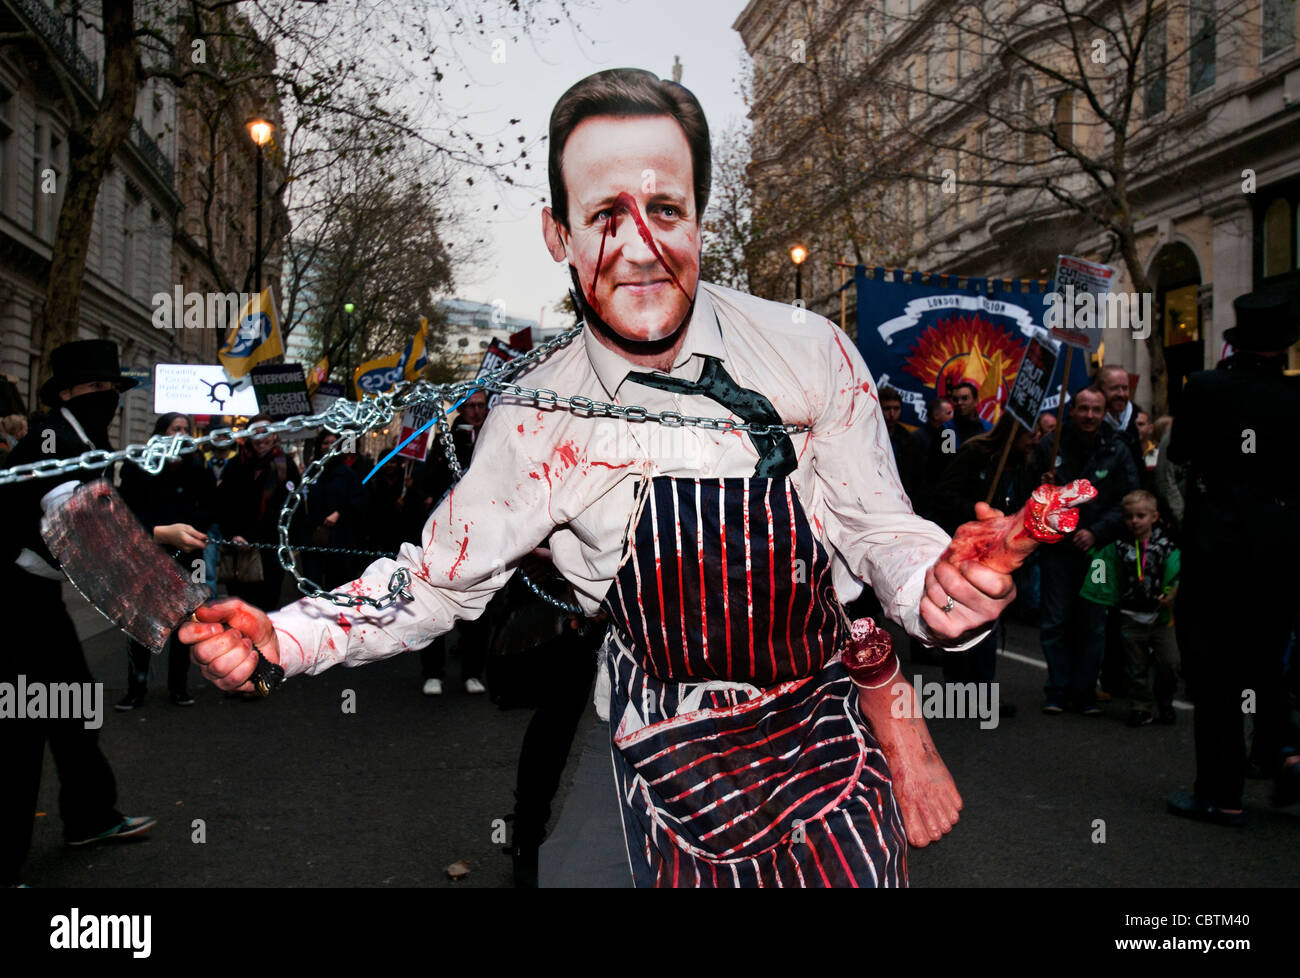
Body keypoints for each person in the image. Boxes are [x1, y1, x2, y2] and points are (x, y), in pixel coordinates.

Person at [180, 68, 1022, 888]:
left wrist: (941, 586)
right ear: (560, 235)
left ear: (700, 218)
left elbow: (878, 527)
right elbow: (432, 585)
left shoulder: (808, 351)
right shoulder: (539, 419)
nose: (642, 250)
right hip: (664, 757)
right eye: (606, 216)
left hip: (822, 742)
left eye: (665, 210)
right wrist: (284, 639)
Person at [0, 340, 156, 885]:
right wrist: (157, 538)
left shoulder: (82, 437)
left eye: (113, 388)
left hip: (36, 597)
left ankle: (90, 816)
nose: (108, 396)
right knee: (19, 726)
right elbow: (76, 518)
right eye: (96, 388)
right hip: (11, 598)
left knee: (72, 705)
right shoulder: (54, 438)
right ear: (65, 392)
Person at [1165, 289, 1300, 825]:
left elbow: (1179, 455)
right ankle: (1283, 751)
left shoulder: (1204, 388)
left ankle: (1222, 793)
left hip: (1217, 549)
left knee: (1215, 674)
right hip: (1279, 551)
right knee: (1267, 662)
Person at [1033, 386, 1139, 715]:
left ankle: (1084, 693)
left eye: (1096, 409)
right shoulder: (1051, 445)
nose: (1089, 416)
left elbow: (1129, 498)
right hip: (1058, 551)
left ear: (1104, 411)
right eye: (1083, 409)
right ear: (1073, 410)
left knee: (1092, 624)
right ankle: (1057, 690)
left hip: (1099, 553)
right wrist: (1043, 485)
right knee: (1055, 622)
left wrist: (1096, 531)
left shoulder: (1117, 448)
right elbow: (1030, 498)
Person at [930, 412, 1037, 713]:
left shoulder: (1024, 465)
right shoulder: (975, 455)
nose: (1036, 441)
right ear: (1014, 434)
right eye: (1031, 435)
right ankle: (956, 694)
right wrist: (980, 516)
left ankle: (982, 695)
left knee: (989, 623)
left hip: (997, 558)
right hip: (966, 551)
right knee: (960, 618)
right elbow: (943, 496)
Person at [116, 412, 216, 709]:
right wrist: (161, 531)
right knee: (142, 625)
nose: (181, 434)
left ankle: (179, 687)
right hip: (148, 554)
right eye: (175, 428)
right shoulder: (139, 467)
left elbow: (210, 509)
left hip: (189, 557)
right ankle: (136, 689)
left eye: (186, 429)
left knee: (186, 624)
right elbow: (127, 510)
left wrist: (192, 528)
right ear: (161, 432)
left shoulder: (199, 469)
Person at [1080, 490, 1180, 727]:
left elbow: (1178, 573)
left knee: (1170, 663)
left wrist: (1172, 593)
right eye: (1129, 516)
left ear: (1154, 517)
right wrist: (1094, 566)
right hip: (1130, 617)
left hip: (1161, 618)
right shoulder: (1119, 547)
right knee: (1135, 667)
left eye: (1140, 516)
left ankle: (1165, 702)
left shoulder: (1166, 546)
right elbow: (1102, 566)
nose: (1134, 521)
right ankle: (1141, 707)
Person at [213, 413, 301, 611]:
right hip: (238, 547)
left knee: (266, 605)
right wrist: (233, 535)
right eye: (256, 433)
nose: (262, 438)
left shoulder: (285, 466)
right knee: (239, 605)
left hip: (269, 548)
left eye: (266, 432)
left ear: (275, 435)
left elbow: (289, 508)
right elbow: (223, 503)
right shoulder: (235, 465)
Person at [302, 430, 367, 590]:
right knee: (312, 581)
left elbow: (359, 501)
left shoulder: (347, 473)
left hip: (340, 535)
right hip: (313, 535)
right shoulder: (312, 471)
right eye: (325, 442)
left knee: (337, 581)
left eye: (333, 443)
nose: (329, 446)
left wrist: (339, 513)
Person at [903, 395, 953, 519]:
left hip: (943, 500)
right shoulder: (916, 438)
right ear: (936, 415)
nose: (953, 416)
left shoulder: (949, 436)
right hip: (922, 502)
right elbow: (910, 474)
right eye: (949, 413)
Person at [943, 380, 991, 447]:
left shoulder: (988, 429)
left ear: (976, 401)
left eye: (965, 398)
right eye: (955, 399)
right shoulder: (946, 430)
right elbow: (948, 456)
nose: (959, 402)